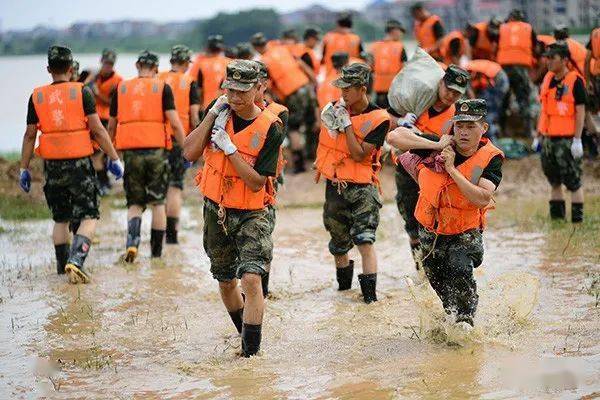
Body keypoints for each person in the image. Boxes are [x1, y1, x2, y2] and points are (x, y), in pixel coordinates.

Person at [183, 60, 284, 357]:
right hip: (217, 210)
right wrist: (212, 115)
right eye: (231, 90)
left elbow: (256, 183)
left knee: (251, 278)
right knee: (226, 282)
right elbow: (189, 152)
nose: (236, 97)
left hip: (252, 212)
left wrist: (231, 150)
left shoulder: (271, 128)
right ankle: (245, 336)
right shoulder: (218, 111)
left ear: (258, 88)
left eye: (243, 91)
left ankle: (251, 354)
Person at [387, 99, 504, 327]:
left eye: (471, 126)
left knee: (460, 270)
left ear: (484, 128)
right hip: (432, 232)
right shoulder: (439, 145)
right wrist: (436, 146)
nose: (464, 132)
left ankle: (465, 322)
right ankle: (453, 318)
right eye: (459, 125)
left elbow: (482, 198)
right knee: (436, 278)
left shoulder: (491, 158)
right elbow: (394, 137)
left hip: (465, 231)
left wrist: (451, 169)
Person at [19, 46, 123, 284]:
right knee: (89, 216)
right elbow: (97, 129)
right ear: (70, 68)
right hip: (79, 165)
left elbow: (29, 135)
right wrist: (114, 158)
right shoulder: (82, 92)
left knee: (60, 219)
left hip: (52, 167)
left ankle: (60, 268)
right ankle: (75, 261)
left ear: (48, 69)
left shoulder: (37, 96)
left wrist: (24, 168)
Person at [314, 63, 390, 303]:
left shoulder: (380, 119)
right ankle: (344, 292)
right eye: (341, 88)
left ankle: (370, 299)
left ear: (362, 89)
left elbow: (359, 154)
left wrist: (346, 124)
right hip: (335, 187)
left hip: (363, 189)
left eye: (348, 89)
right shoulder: (337, 109)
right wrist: (334, 120)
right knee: (338, 243)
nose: (343, 93)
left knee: (364, 240)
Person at [388, 65, 470, 270]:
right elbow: (385, 119)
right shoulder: (418, 101)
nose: (451, 95)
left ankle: (433, 269)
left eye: (457, 93)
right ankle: (421, 271)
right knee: (410, 221)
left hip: (432, 174)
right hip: (405, 170)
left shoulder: (457, 117)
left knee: (433, 222)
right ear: (440, 83)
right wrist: (401, 121)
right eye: (449, 89)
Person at [107, 51, 186, 262]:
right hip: (157, 153)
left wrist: (110, 155)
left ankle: (132, 244)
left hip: (130, 153)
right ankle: (156, 254)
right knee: (158, 202)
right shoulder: (162, 87)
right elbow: (175, 123)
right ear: (156, 69)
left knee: (134, 202)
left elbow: (112, 125)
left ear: (136, 65)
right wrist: (186, 148)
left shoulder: (121, 88)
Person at [535, 42, 586, 223]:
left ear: (564, 60)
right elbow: (544, 110)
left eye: (552, 58)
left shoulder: (575, 81)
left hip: (567, 139)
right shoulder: (548, 79)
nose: (548, 61)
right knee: (554, 181)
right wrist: (538, 136)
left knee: (573, 181)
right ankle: (557, 221)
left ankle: (577, 222)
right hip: (548, 139)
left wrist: (578, 139)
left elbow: (581, 112)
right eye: (547, 57)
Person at [157, 45, 201, 244]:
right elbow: (193, 115)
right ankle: (172, 236)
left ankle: (156, 233)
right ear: (185, 63)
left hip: (156, 139)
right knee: (175, 187)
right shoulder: (190, 82)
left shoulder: (157, 78)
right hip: (178, 139)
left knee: (161, 186)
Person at [251, 32, 313, 173]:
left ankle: (300, 165)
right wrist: (313, 80)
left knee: (294, 129)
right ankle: (314, 157)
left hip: (292, 93)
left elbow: (268, 86)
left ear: (255, 47)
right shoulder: (281, 48)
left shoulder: (264, 62)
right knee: (312, 123)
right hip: (306, 86)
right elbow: (300, 63)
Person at [254, 60, 289, 297]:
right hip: (234, 185)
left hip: (265, 185)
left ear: (264, 84)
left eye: (253, 84)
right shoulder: (227, 110)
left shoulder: (278, 113)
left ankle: (262, 294)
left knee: (263, 236)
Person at [496, 9, 537, 136]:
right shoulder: (528, 28)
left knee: (503, 99)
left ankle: (501, 131)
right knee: (523, 99)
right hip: (521, 68)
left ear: (510, 18)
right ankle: (528, 131)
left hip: (504, 68)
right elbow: (534, 45)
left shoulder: (502, 28)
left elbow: (496, 44)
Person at [89, 48, 123, 195]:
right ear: (101, 62)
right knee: (95, 154)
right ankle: (102, 183)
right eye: (105, 63)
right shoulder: (92, 77)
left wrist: (97, 93)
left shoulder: (118, 81)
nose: (107, 66)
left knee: (101, 153)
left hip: (108, 120)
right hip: (93, 120)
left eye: (110, 64)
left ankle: (104, 183)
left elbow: (113, 103)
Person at [466, 59, 509, 141]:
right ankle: (495, 130)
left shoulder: (467, 71)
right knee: (491, 110)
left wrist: (475, 104)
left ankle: (493, 138)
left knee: (488, 111)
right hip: (499, 76)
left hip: (498, 79)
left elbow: (471, 93)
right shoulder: (471, 67)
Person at [369, 19, 407, 108]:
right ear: (394, 30)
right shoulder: (399, 46)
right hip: (395, 90)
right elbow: (405, 70)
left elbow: (370, 68)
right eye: (401, 31)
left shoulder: (374, 47)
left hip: (379, 91)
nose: (401, 35)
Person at [188, 35, 231, 111]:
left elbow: (193, 85)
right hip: (227, 105)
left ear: (207, 47)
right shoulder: (230, 62)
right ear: (222, 48)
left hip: (207, 107)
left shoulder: (199, 63)